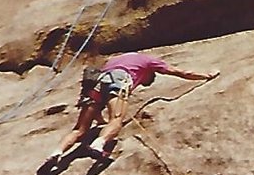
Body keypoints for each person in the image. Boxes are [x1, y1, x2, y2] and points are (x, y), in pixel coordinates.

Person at [43, 52, 219, 165]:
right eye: (143, 81)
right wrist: (206, 75)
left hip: (97, 81)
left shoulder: (114, 59)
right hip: (119, 79)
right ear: (149, 74)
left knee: (80, 129)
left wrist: (100, 122)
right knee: (116, 121)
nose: (141, 83)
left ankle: (56, 152)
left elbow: (97, 104)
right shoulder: (149, 61)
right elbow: (178, 72)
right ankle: (99, 144)